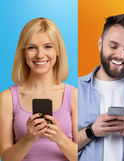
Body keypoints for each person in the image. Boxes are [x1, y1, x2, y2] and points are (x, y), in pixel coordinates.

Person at [76, 14, 124, 160]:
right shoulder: (75, 90)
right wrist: (91, 131)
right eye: (113, 46)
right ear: (100, 44)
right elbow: (61, 147)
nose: (120, 55)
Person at [0, 17, 78, 161]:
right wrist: (29, 138)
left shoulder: (74, 96)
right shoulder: (7, 97)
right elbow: (5, 158)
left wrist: (60, 138)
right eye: (32, 47)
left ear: (57, 51)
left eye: (48, 46)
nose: (40, 55)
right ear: (23, 52)